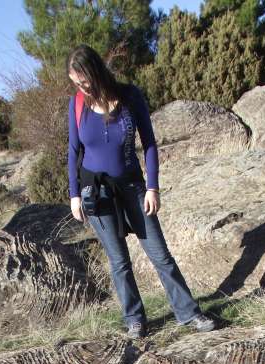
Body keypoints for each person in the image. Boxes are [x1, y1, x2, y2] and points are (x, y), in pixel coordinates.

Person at [67, 44, 215, 339]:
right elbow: (73, 151)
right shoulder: (77, 105)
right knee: (119, 261)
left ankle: (188, 312)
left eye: (83, 81)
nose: (81, 87)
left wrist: (153, 187)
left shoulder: (130, 96)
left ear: (96, 72)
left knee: (160, 255)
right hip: (97, 193)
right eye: (75, 83)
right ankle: (135, 319)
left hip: (134, 186)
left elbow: (148, 143)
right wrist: (73, 195)